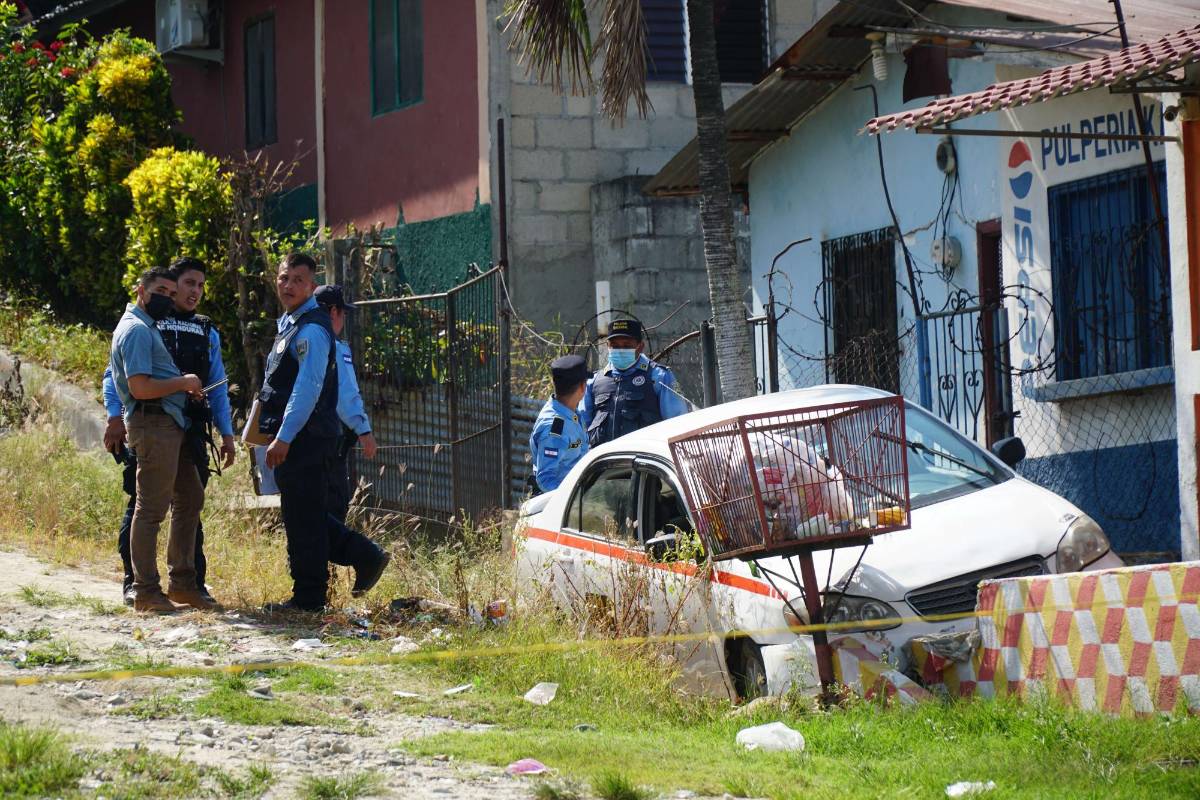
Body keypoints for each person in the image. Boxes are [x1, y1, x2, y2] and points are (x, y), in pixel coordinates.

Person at [256, 254, 389, 613]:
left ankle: (319, 590)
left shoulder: (312, 329)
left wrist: (284, 437)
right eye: (284, 278)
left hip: (307, 439)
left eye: (298, 280)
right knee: (304, 517)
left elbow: (307, 387)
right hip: (301, 437)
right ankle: (319, 588)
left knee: (307, 520)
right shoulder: (292, 325)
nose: (288, 285)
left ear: (311, 287)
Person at [103, 258, 236, 606]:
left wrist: (227, 432)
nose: (183, 294)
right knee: (148, 508)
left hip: (177, 425)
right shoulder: (137, 329)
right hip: (154, 421)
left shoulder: (179, 328)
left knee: (190, 498)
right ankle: (144, 589)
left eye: (197, 286)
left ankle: (183, 583)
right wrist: (184, 383)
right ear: (141, 291)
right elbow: (137, 386)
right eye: (163, 290)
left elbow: (218, 385)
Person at [313, 284, 378, 523]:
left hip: (303, 443)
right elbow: (345, 393)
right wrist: (364, 430)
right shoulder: (336, 348)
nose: (343, 318)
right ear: (333, 312)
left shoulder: (300, 340)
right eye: (343, 312)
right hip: (331, 440)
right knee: (334, 507)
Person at [581, 318, 690, 447]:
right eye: (615, 346)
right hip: (604, 462)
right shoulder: (594, 381)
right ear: (607, 346)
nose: (620, 350)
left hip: (644, 462)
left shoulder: (659, 376)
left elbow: (677, 423)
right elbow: (582, 427)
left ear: (640, 347)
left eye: (627, 346)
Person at [528, 355, 589, 494]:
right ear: (582, 387)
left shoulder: (571, 413)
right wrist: (573, 500)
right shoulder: (555, 429)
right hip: (561, 505)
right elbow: (546, 479)